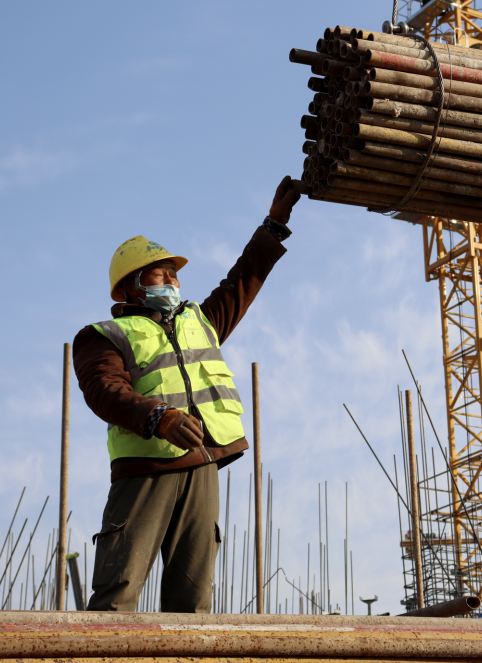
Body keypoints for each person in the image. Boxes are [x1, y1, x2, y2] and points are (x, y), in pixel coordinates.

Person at [74, 176, 301, 612]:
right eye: (160, 274)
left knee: (193, 603)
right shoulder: (104, 335)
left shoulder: (201, 320)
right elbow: (104, 390)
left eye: (174, 274)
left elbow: (242, 280)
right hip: (145, 470)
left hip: (203, 465)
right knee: (118, 593)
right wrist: (158, 417)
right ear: (131, 287)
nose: (172, 281)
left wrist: (273, 225)